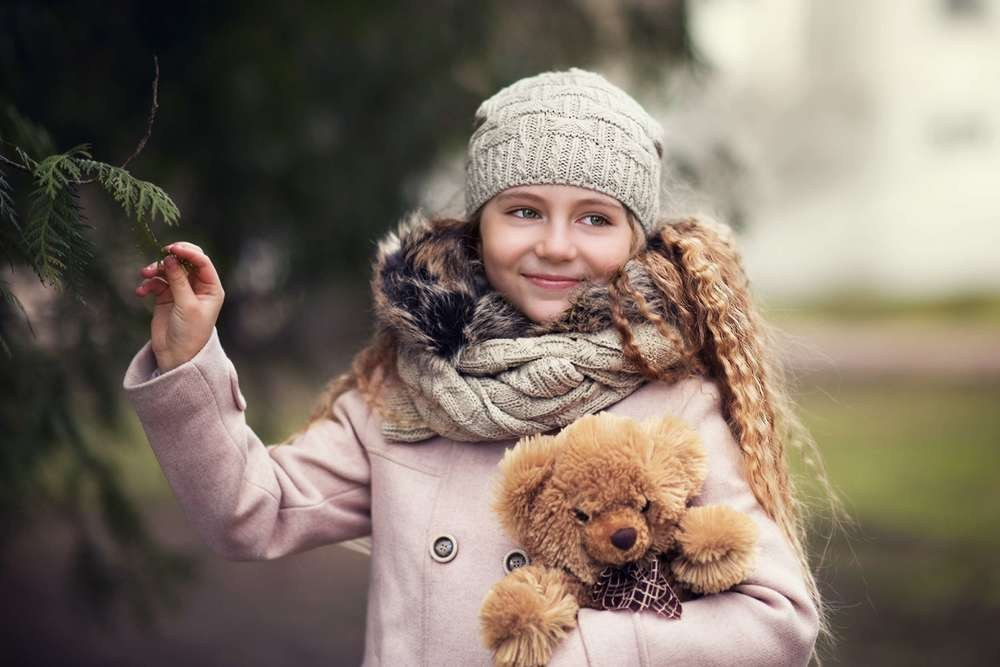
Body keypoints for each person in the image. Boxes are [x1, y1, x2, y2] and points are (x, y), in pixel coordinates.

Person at [124, 68, 836, 665]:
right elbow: (251, 512)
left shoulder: (673, 402)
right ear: (480, 224)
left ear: (633, 236)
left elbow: (777, 620)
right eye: (524, 210)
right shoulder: (407, 389)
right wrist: (187, 358)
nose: (556, 246)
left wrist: (587, 651)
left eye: (595, 218)